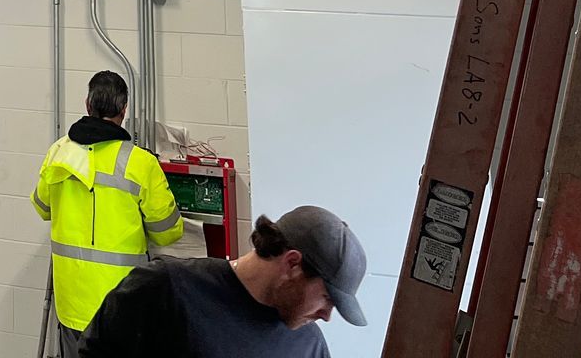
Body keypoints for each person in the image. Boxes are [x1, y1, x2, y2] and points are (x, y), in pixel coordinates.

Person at [78, 205, 369, 357]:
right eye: (327, 298)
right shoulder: (165, 290)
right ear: (292, 263)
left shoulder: (309, 346)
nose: (326, 316)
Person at [34, 71, 184, 356]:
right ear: (123, 110)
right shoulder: (140, 163)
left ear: (87, 105)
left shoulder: (58, 153)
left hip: (71, 304)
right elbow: (167, 233)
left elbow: (42, 207)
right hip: (122, 303)